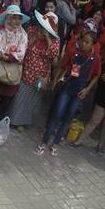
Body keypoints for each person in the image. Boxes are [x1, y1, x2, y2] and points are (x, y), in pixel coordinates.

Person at [39, 28, 100, 156]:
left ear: (93, 45)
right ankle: (44, 141)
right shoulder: (73, 52)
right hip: (67, 88)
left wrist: (87, 90)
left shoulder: (95, 58)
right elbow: (62, 66)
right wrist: (55, 81)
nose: (84, 44)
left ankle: (55, 143)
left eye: (88, 42)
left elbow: (96, 75)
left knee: (68, 118)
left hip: (79, 92)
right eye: (83, 41)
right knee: (57, 113)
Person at [8, 10, 60, 130]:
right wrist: (36, 38)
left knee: (33, 99)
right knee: (19, 96)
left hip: (41, 74)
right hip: (26, 69)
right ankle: (14, 119)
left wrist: (47, 38)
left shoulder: (56, 40)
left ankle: (23, 122)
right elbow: (23, 47)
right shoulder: (32, 30)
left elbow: (53, 55)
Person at [0, 4, 29, 127]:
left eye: (18, 18)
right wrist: (9, 56)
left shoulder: (23, 35)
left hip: (13, 70)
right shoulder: (0, 33)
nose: (16, 21)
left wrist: (7, 56)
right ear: (7, 18)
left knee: (6, 99)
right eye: (13, 17)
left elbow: (21, 53)